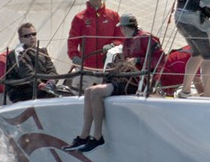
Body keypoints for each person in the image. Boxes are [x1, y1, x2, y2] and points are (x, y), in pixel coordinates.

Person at [63, 14, 162, 153]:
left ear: (122, 27)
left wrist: (137, 61)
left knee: (96, 92)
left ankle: (97, 137)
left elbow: (160, 60)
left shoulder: (146, 38)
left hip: (136, 83)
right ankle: (83, 136)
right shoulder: (127, 41)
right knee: (88, 91)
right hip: (126, 80)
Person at [67, 0, 123, 70]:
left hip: (108, 67)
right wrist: (74, 56)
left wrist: (113, 44)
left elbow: (121, 37)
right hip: (87, 68)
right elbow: (72, 41)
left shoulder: (113, 16)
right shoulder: (79, 18)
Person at [6, 23, 58, 102]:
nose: (32, 37)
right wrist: (40, 84)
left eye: (34, 34)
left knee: (67, 92)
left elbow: (51, 70)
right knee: (50, 94)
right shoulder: (16, 53)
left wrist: (51, 82)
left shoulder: (42, 50)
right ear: (20, 38)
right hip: (22, 92)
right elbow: (26, 73)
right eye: (27, 35)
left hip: (43, 89)